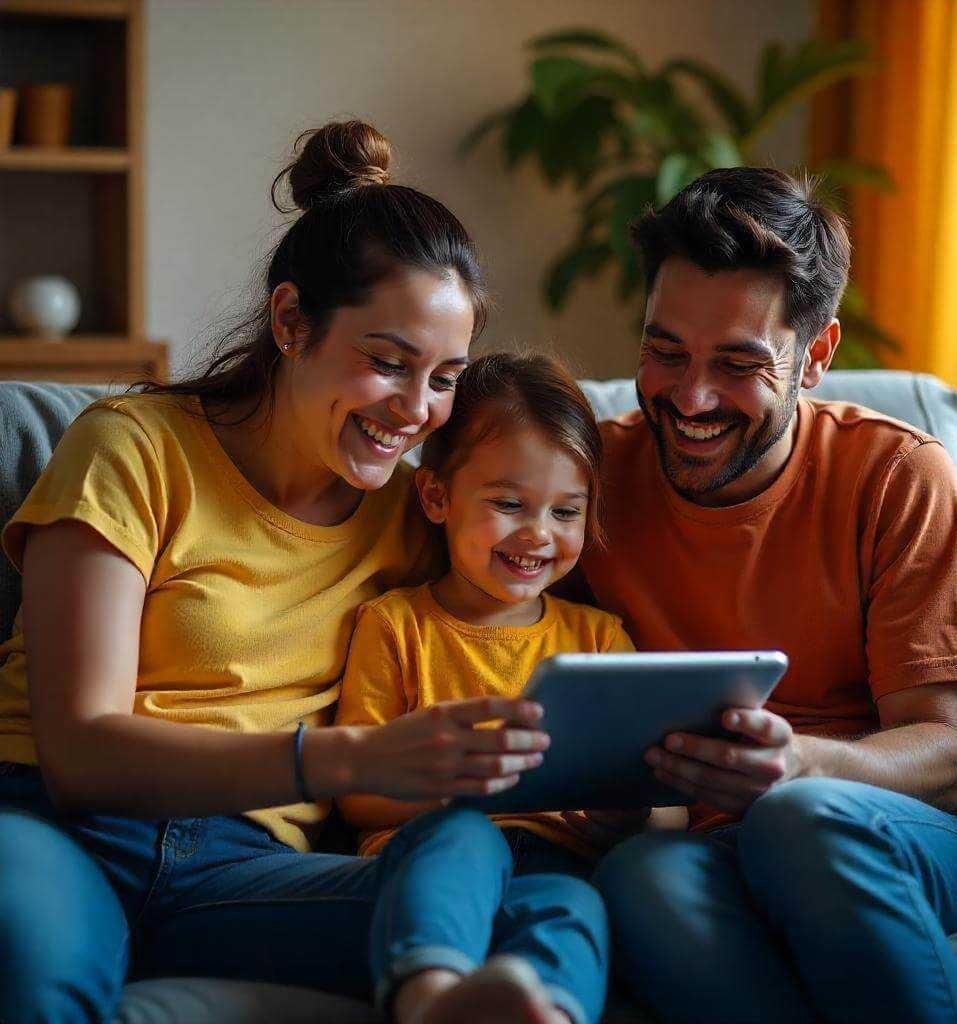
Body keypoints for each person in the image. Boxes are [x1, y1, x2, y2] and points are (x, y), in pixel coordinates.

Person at [0, 120, 550, 1024]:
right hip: (59, 830)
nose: (417, 411)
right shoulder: (132, 449)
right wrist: (353, 758)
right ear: (292, 322)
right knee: (33, 973)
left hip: (239, 866)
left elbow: (544, 574)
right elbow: (79, 753)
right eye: (388, 363)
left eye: (446, 377)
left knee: (542, 903)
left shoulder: (417, 518)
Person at [574, 168, 957, 1024]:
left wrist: (799, 766)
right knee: (638, 879)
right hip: (712, 843)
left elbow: (951, 756)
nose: (691, 397)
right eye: (665, 351)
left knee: (800, 818)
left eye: (739, 365)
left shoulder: (897, 473)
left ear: (815, 356)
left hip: (926, 833)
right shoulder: (586, 478)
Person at [337, 352, 641, 1024]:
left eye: (567, 512)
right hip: (432, 849)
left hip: (559, 861)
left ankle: (549, 1015)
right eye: (508, 504)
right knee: (466, 837)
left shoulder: (597, 638)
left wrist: (625, 814)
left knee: (575, 907)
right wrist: (458, 781)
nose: (539, 534)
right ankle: (430, 999)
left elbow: (660, 800)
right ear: (437, 496)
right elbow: (356, 795)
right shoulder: (396, 625)